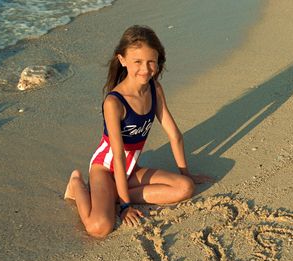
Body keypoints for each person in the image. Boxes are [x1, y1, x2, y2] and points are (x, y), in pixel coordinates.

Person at [64, 25, 211, 238]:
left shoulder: (155, 88)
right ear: (122, 60)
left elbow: (174, 134)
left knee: (185, 188)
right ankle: (76, 185)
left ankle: (109, 197)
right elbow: (117, 155)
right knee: (100, 227)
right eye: (138, 62)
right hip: (106, 169)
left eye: (152, 61)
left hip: (131, 168)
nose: (146, 68)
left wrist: (186, 173)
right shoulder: (114, 102)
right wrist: (124, 206)